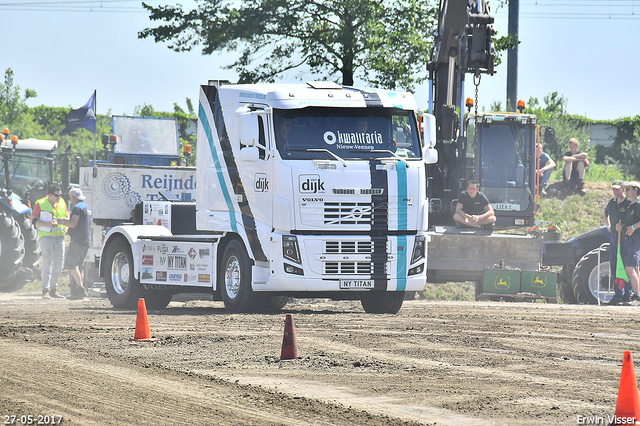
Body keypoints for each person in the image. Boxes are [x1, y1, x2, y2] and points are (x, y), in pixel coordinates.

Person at [32, 184, 68, 299]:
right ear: (50, 195)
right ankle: (45, 290)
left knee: (59, 264)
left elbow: (67, 217)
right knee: (48, 263)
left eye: (60, 195)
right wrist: (46, 224)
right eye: (57, 195)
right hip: (46, 237)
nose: (59, 197)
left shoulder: (62, 202)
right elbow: (33, 220)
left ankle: (53, 289)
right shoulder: (41, 203)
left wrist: (66, 226)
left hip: (60, 237)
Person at [61, 188, 92, 300]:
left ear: (73, 198)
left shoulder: (77, 208)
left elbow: (73, 224)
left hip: (78, 241)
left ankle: (80, 289)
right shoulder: (86, 207)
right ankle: (78, 292)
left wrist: (62, 222)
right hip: (86, 240)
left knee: (71, 265)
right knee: (79, 266)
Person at [605, 180, 632, 304]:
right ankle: (618, 293)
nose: (615, 192)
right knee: (615, 265)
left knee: (626, 265)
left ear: (622, 189)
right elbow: (606, 213)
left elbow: (633, 219)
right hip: (615, 238)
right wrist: (609, 225)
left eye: (617, 189)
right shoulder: (612, 202)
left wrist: (623, 226)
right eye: (613, 189)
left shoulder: (629, 203)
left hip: (626, 238)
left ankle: (628, 293)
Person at [617, 182, 640, 301]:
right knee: (635, 268)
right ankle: (637, 294)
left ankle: (636, 295)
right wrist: (621, 226)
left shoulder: (638, 204)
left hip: (635, 240)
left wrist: (634, 228)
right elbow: (630, 223)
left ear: (636, 190)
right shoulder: (631, 205)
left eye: (628, 189)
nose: (626, 192)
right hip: (630, 240)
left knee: (630, 268)